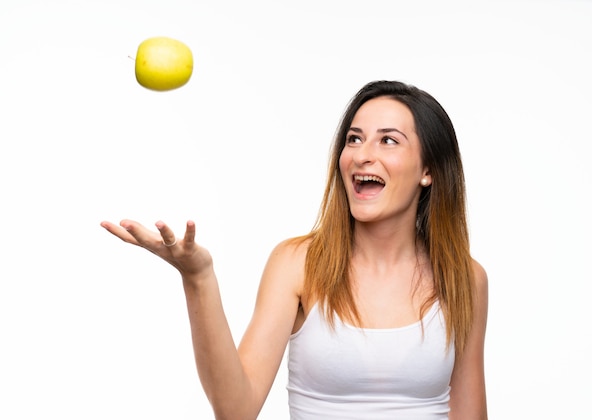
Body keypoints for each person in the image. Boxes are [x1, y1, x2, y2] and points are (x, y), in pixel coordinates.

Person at [101, 80, 488, 419]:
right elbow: (235, 411)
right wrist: (198, 278)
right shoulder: (298, 264)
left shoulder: (465, 278)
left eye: (388, 140)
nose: (361, 154)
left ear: (428, 170)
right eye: (354, 138)